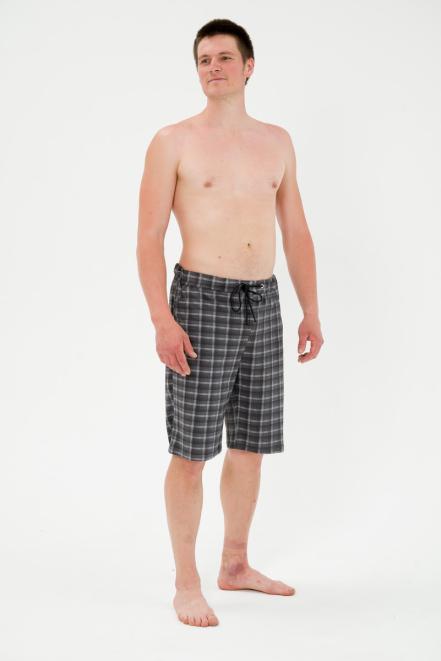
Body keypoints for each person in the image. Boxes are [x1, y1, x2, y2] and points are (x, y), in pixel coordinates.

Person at [136, 18, 324, 628]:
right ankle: (186, 581)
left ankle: (235, 564)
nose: (212, 67)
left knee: (251, 446)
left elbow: (295, 230)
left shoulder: (277, 142)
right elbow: (148, 238)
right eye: (203, 59)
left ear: (248, 66)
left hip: (263, 300)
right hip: (199, 299)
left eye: (223, 57)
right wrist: (162, 320)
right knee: (191, 450)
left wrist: (311, 309)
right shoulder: (173, 140)